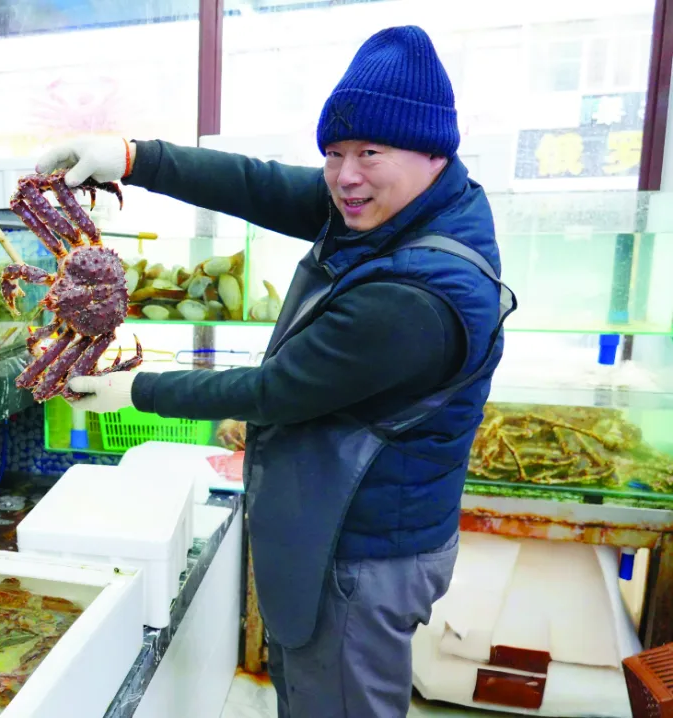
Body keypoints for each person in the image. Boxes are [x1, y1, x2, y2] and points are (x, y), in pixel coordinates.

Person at [35, 25, 515, 718]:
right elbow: (258, 185)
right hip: (340, 526)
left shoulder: (418, 294)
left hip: (361, 554)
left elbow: (276, 391)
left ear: (433, 151)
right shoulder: (405, 205)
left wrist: (135, 388)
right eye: (334, 153)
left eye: (369, 153)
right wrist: (134, 158)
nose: (345, 176)